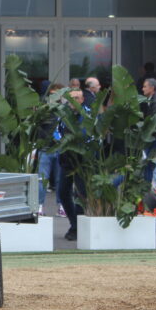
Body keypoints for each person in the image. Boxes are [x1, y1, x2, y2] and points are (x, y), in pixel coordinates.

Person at [58, 89, 92, 241]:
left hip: (83, 161)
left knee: (80, 194)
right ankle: (74, 223)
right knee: (62, 192)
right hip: (66, 160)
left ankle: (77, 227)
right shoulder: (63, 114)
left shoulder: (88, 114)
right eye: (71, 98)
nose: (74, 101)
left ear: (82, 99)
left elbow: (90, 135)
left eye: (77, 98)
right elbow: (56, 133)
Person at [36, 83, 65, 215]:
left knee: (60, 180)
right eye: (52, 94)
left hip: (60, 149)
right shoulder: (44, 109)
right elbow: (37, 128)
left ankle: (62, 206)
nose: (55, 97)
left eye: (58, 94)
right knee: (42, 179)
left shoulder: (64, 110)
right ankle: (39, 206)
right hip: (45, 149)